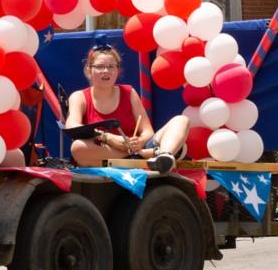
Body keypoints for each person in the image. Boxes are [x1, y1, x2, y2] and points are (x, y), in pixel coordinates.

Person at [66, 44, 189, 173]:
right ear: (89, 70)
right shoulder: (79, 97)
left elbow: (147, 131)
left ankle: (164, 156)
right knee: (78, 147)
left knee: (182, 120)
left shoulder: (129, 92)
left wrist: (139, 142)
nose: (106, 71)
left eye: (111, 66)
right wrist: (107, 138)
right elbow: (72, 127)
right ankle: (144, 155)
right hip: (105, 151)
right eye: (100, 66)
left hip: (136, 147)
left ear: (118, 71)